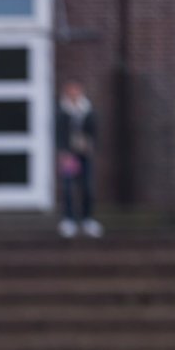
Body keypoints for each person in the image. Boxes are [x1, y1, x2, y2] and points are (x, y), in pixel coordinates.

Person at [55, 80, 103, 238]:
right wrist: (63, 151)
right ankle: (68, 220)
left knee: (87, 186)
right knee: (68, 187)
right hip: (69, 155)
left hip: (84, 154)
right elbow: (59, 133)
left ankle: (87, 219)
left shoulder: (88, 110)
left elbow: (94, 131)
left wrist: (90, 145)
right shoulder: (62, 111)